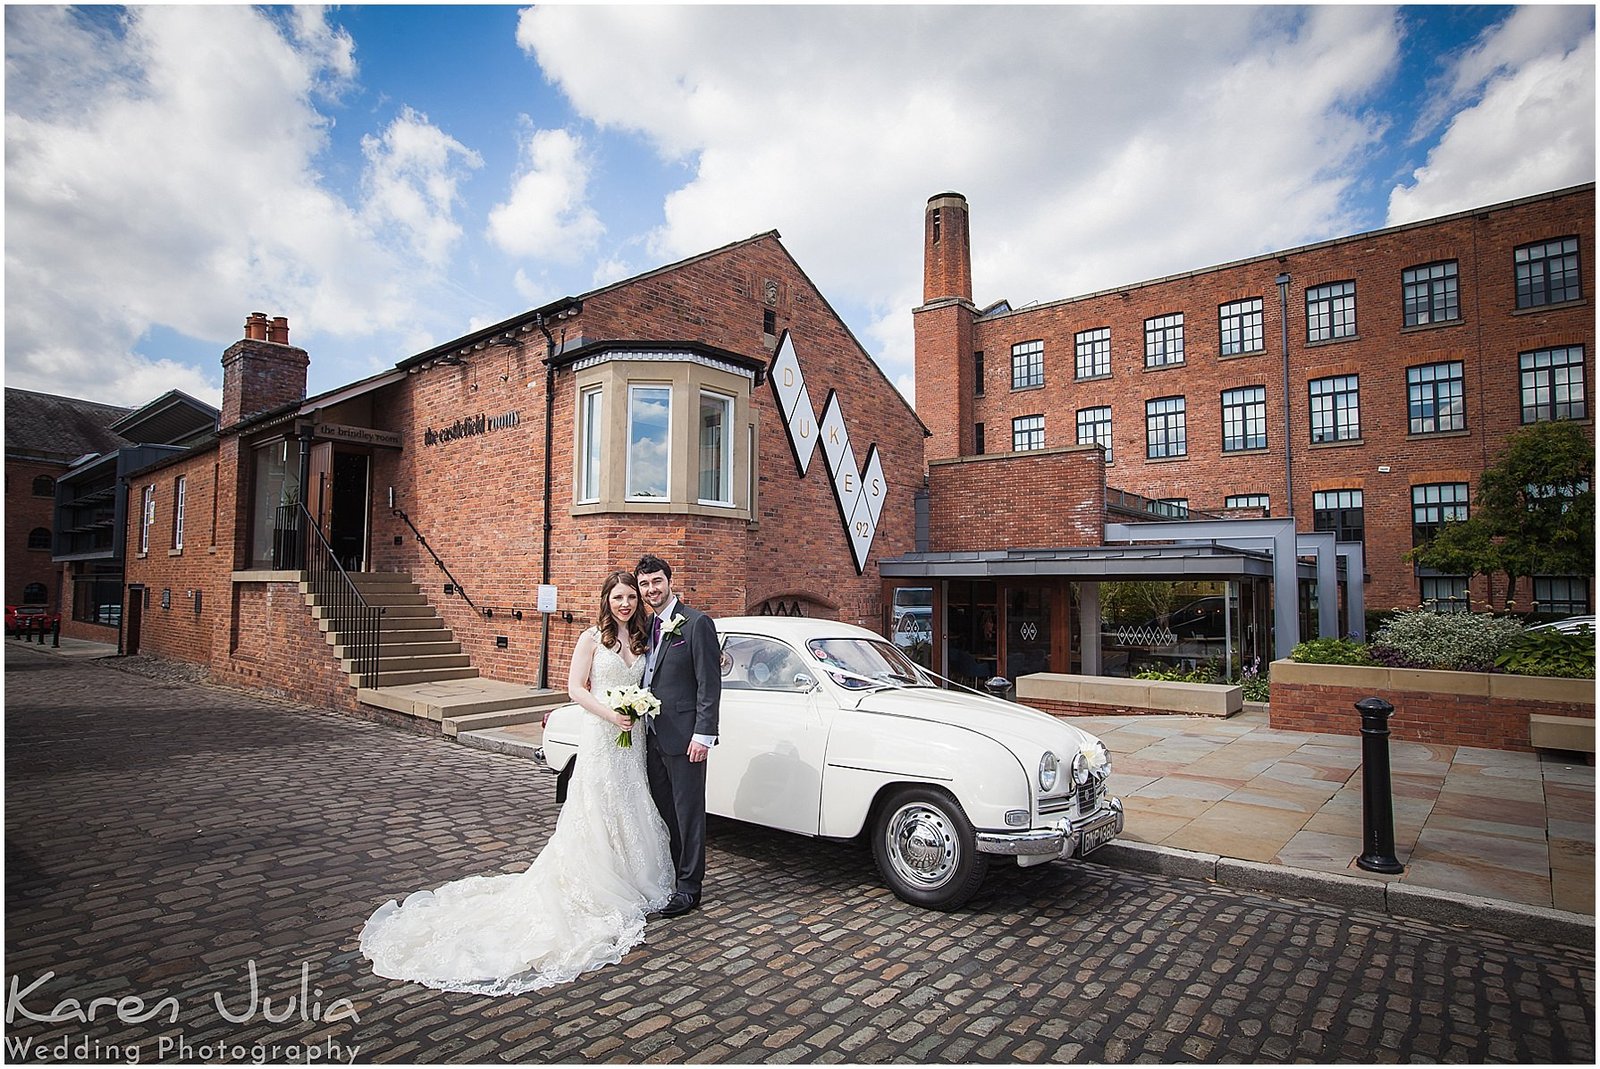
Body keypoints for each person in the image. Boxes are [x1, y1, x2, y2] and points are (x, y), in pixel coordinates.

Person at [357, 571, 674, 995]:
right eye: (618, 597)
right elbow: (575, 689)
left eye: (631, 597)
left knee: (631, 804)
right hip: (603, 735)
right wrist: (609, 714)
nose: (626, 604)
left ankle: (632, 875)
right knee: (598, 805)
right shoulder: (591, 639)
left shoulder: (643, 639)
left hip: (631, 741)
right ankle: (598, 881)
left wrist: (634, 712)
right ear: (606, 599)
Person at [636, 554, 721, 917]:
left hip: (686, 738)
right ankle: (673, 876)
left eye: (656, 581)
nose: (651, 589)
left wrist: (703, 734)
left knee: (689, 814)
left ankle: (689, 887)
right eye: (644, 584)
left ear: (669, 581)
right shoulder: (647, 626)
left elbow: (709, 683)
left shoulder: (696, 623)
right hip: (652, 737)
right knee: (665, 812)